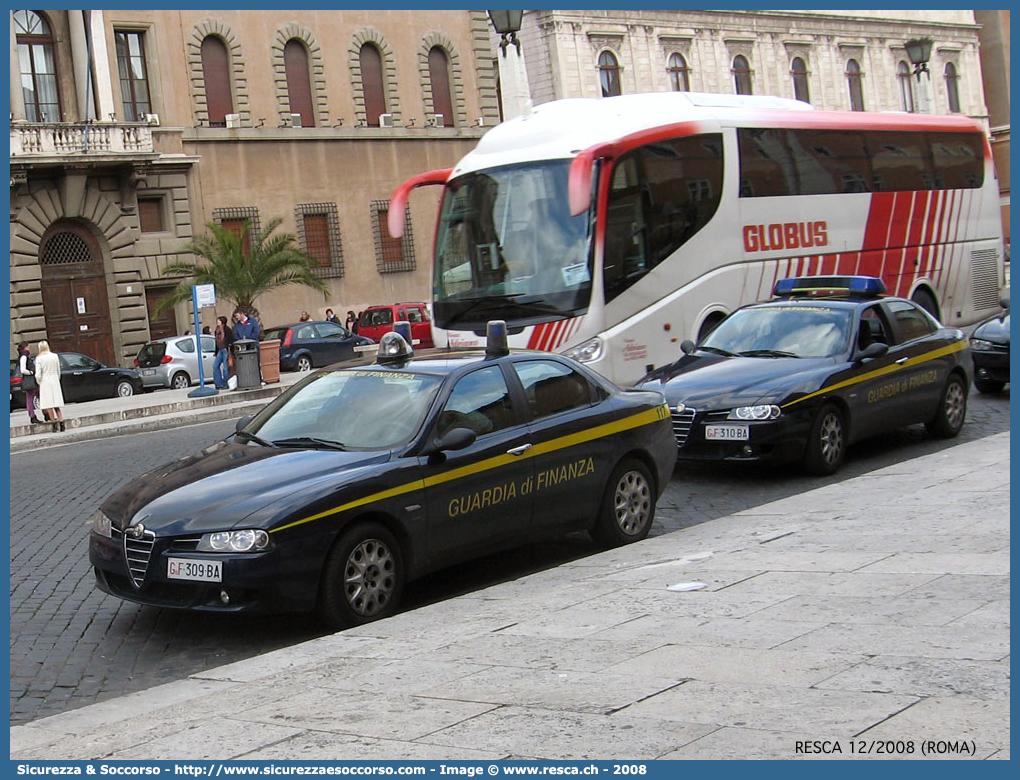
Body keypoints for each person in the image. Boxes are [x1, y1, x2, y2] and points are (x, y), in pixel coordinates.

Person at [35, 340, 65, 433]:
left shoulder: (39, 358)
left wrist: (39, 381)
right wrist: (57, 378)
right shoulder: (54, 356)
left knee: (48, 405)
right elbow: (58, 370)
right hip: (54, 379)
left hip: (45, 380)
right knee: (56, 404)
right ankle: (62, 422)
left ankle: (54, 425)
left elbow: (38, 374)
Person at [16, 341, 44, 426]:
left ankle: (44, 413)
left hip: (31, 380)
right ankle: (33, 416)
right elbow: (23, 370)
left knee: (38, 396)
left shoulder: (25, 356)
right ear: (25, 347)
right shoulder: (24, 357)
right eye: (28, 347)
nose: (29, 348)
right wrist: (31, 372)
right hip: (30, 380)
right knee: (31, 398)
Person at [213, 315, 234, 389]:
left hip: (225, 349)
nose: (217, 322)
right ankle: (219, 383)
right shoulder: (216, 330)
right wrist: (216, 352)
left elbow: (231, 339)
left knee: (225, 368)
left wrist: (230, 349)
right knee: (215, 366)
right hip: (220, 350)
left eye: (219, 320)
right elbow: (216, 342)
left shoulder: (226, 329)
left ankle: (226, 384)